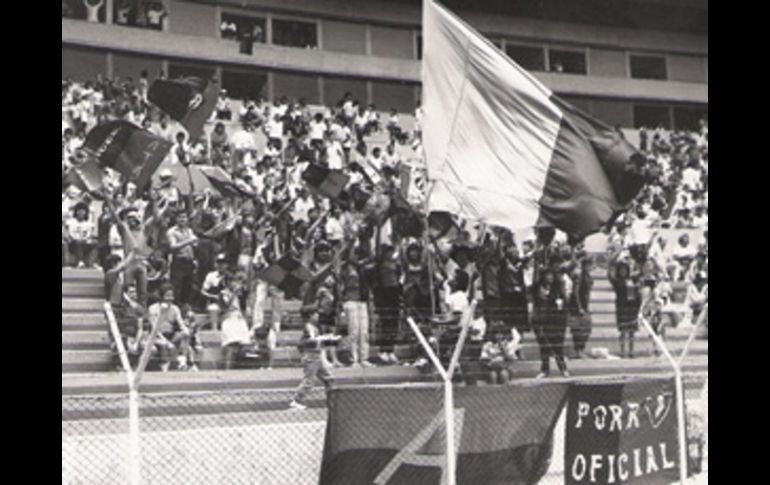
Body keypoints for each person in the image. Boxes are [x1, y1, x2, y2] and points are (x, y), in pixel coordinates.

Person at [288, 305, 340, 411]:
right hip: (311, 357)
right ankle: (296, 400)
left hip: (317, 356)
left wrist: (329, 338)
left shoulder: (315, 327)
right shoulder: (309, 327)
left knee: (329, 379)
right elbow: (313, 340)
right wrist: (326, 338)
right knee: (309, 381)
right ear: (310, 315)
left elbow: (318, 342)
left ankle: (332, 400)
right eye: (315, 314)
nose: (318, 316)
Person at [531, 268, 569, 378]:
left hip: (556, 321)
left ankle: (563, 369)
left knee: (558, 346)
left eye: (551, 275)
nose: (550, 277)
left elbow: (564, 303)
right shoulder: (538, 289)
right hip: (542, 321)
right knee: (544, 347)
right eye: (547, 275)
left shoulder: (557, 290)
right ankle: (545, 370)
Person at [147, 285, 191, 372]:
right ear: (161, 296)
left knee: (185, 334)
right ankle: (164, 367)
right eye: (167, 296)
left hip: (170, 335)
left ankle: (183, 362)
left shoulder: (175, 309)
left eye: (171, 296)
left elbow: (181, 324)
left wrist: (186, 330)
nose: (169, 298)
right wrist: (167, 342)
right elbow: (155, 329)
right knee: (163, 344)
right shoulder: (152, 308)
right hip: (156, 336)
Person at [609, 257, 641, 359]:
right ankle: (622, 351)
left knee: (632, 332)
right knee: (623, 331)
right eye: (621, 270)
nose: (623, 271)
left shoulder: (631, 280)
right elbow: (610, 276)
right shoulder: (617, 281)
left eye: (625, 270)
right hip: (622, 307)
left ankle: (631, 351)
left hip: (632, 307)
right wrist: (611, 264)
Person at [167, 211, 199, 306]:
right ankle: (175, 308)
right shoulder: (172, 231)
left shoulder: (189, 230)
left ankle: (185, 309)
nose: (182, 219)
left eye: (184, 217)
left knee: (188, 288)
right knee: (177, 288)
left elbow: (194, 243)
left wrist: (195, 244)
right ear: (176, 219)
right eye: (180, 217)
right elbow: (173, 246)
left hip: (189, 262)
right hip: (178, 262)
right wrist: (188, 241)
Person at [567, 257, 593, 358]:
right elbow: (576, 292)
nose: (589, 267)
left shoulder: (588, 276)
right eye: (588, 265)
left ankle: (581, 349)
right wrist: (579, 307)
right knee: (578, 330)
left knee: (586, 329)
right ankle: (578, 350)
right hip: (577, 306)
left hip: (585, 305)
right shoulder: (579, 276)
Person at [65, 201, 98, 268]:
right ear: (76, 212)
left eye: (83, 211)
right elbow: (68, 234)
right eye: (79, 211)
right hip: (73, 243)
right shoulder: (71, 222)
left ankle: (92, 263)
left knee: (95, 243)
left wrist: (89, 239)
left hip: (85, 243)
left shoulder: (89, 224)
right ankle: (80, 261)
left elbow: (90, 235)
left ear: (86, 213)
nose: (81, 213)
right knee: (78, 243)